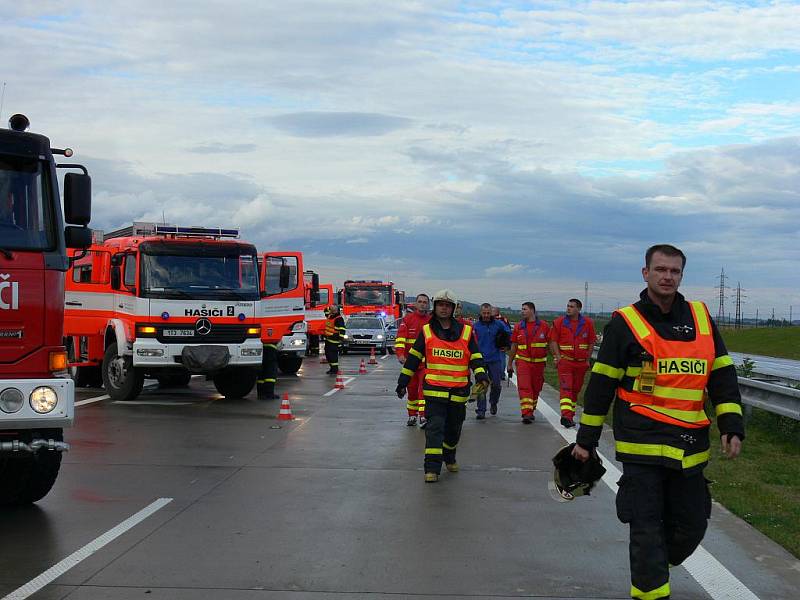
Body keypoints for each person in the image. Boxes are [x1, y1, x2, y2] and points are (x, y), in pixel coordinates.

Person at [573, 244, 744, 600]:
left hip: (690, 448)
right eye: (661, 269)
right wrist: (585, 440)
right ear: (645, 273)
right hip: (642, 447)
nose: (667, 277)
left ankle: (655, 564)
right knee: (646, 530)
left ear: (681, 275)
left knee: (692, 526)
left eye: (675, 271)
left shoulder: (700, 318)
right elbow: (601, 386)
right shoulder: (625, 322)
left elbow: (722, 376)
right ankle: (651, 590)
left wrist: (731, 425)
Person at [396, 289, 489, 482]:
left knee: (453, 431)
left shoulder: (466, 332)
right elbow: (414, 358)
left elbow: (476, 357)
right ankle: (431, 469)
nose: (443, 309)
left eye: (447, 305)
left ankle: (450, 456)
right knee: (434, 429)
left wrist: (481, 376)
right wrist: (403, 382)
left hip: (458, 393)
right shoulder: (427, 331)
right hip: (434, 392)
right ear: (435, 307)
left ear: (453, 308)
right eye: (440, 305)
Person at [549, 298, 596, 428]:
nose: (568, 308)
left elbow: (591, 342)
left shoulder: (587, 323)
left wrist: (587, 359)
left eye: (572, 306)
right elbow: (553, 341)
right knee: (566, 388)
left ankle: (570, 413)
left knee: (575, 390)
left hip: (581, 364)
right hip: (565, 361)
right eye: (568, 306)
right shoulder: (559, 322)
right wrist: (558, 357)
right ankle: (566, 415)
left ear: (579, 309)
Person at [507, 302, 549, 424]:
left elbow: (551, 343)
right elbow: (514, 346)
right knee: (525, 387)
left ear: (532, 310)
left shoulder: (544, 326)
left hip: (539, 364)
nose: (522, 311)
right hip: (523, 362)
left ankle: (531, 408)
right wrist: (510, 363)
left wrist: (557, 357)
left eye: (524, 309)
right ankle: (526, 413)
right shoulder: (518, 327)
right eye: (522, 309)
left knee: (536, 388)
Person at [395, 293, 431, 427]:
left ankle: (423, 416)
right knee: (412, 390)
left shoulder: (431, 321)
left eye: (425, 302)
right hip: (409, 363)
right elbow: (400, 339)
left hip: (425, 364)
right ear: (416, 304)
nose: (422, 304)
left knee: (423, 390)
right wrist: (400, 355)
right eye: (420, 301)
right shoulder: (407, 320)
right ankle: (412, 416)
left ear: (428, 304)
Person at [472, 303, 511, 419]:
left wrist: (506, 345)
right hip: (480, 360)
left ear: (492, 313)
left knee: (497, 385)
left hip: (494, 359)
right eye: (484, 313)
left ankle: (493, 403)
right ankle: (481, 410)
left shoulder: (498, 324)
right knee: (481, 385)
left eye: (488, 313)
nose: (486, 315)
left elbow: (509, 333)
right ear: (480, 313)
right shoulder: (476, 326)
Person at [323, 305, 346, 375]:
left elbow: (342, 329)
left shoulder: (339, 319)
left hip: (334, 340)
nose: (330, 311)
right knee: (328, 355)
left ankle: (335, 370)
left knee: (333, 356)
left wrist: (340, 339)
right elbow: (325, 310)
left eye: (332, 309)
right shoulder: (330, 316)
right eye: (330, 309)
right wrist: (330, 307)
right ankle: (332, 368)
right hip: (328, 340)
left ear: (335, 311)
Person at [492, 306, 511, 377]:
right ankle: (501, 373)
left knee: (501, 358)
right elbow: (509, 331)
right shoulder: (504, 320)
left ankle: (500, 373)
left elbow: (508, 332)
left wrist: (508, 344)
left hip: (499, 342)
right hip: (500, 342)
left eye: (493, 311)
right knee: (501, 358)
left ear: (497, 311)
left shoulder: (500, 320)